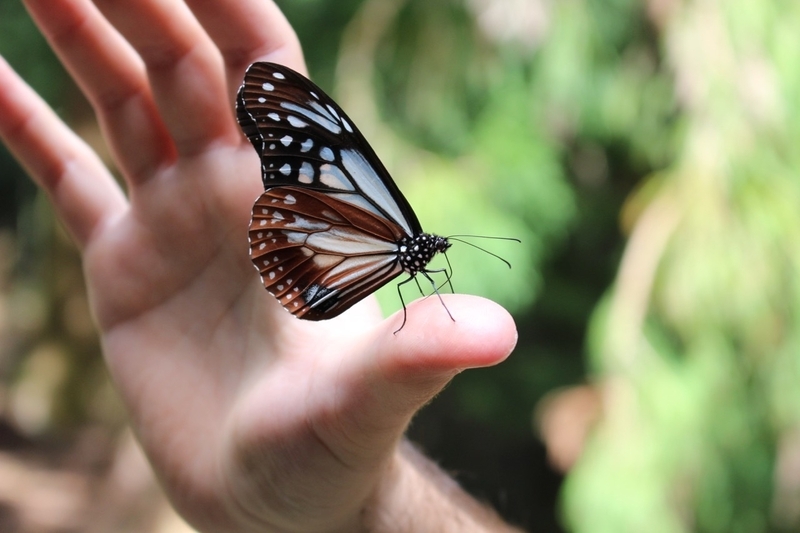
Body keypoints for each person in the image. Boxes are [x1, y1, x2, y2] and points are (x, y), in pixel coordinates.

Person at [0, 0, 520, 530]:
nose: (431, 254)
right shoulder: (395, 233)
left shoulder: (401, 256)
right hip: (305, 241)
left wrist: (364, 504)